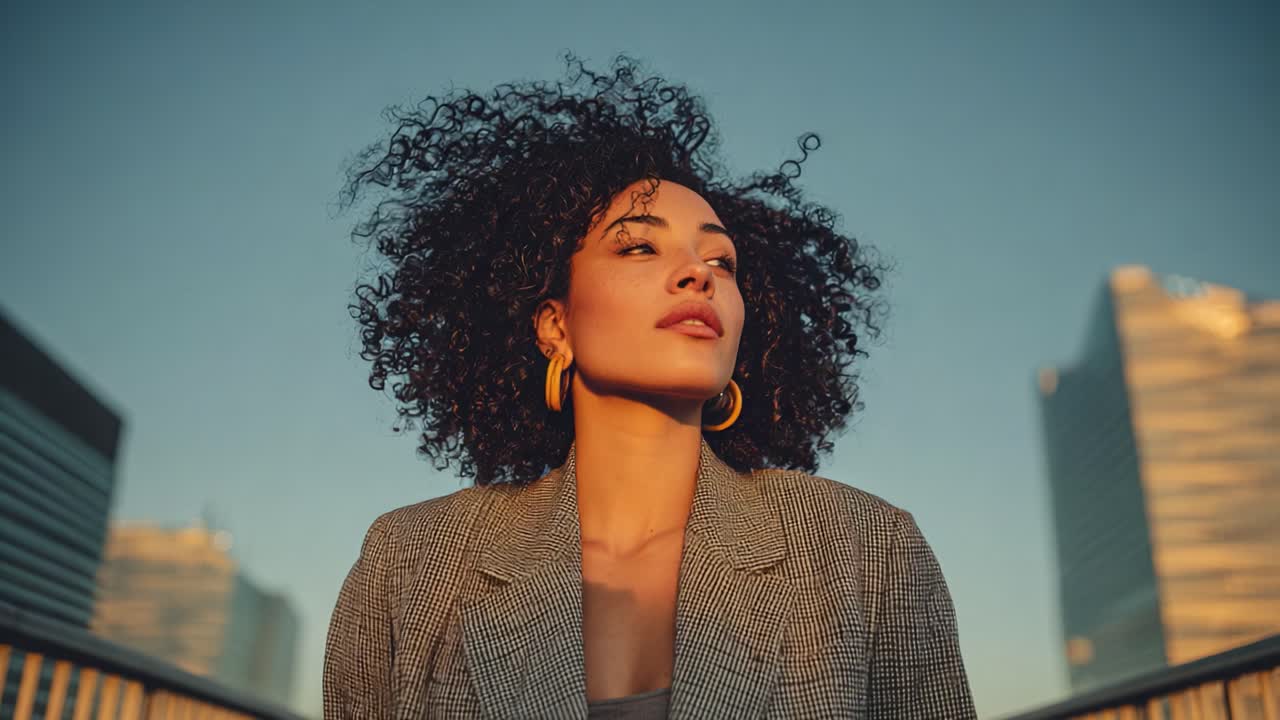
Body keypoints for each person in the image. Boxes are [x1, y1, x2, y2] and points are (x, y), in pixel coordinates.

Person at [323, 52, 977, 719]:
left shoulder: (867, 550)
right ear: (555, 326)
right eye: (639, 246)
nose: (699, 274)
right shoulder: (408, 563)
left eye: (721, 259)